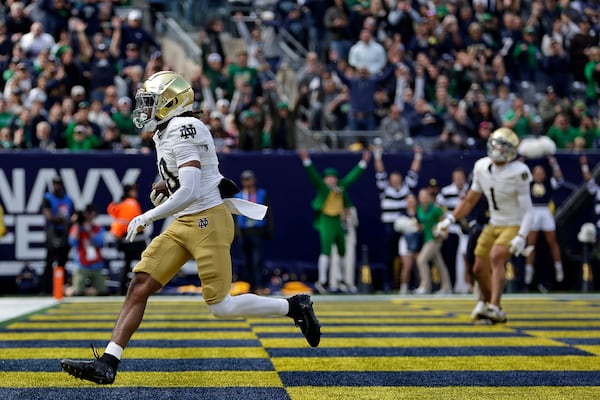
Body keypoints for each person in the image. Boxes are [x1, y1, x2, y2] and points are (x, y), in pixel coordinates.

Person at [61, 71, 321, 385]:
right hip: (185, 220)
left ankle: (294, 306)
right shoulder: (166, 129)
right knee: (140, 284)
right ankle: (108, 362)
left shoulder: (185, 127)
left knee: (221, 307)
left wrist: (148, 216)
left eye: (151, 101)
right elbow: (187, 179)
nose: (145, 108)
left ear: (171, 102)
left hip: (208, 220)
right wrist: (164, 183)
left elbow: (191, 190)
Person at [436, 127, 533, 324]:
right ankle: (489, 304)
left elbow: (528, 210)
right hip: (494, 223)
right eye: (497, 144)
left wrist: (522, 236)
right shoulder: (481, 166)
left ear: (512, 150)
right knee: (478, 268)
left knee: (496, 256)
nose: (498, 149)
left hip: (513, 224)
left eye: (504, 146)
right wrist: (450, 219)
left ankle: (495, 307)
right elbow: (470, 200)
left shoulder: (519, 172)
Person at [299, 149, 371, 293]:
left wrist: (363, 163)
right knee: (326, 250)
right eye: (328, 177)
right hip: (326, 220)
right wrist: (306, 161)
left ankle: (343, 280)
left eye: (333, 177)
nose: (331, 180)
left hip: (338, 220)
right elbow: (313, 176)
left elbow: (352, 177)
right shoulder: (323, 188)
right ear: (325, 179)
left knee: (343, 251)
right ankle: (322, 281)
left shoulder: (341, 188)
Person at [374, 146, 422, 292]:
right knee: (389, 257)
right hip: (390, 227)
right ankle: (388, 284)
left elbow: (413, 173)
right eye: (393, 180)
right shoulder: (385, 189)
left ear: (400, 180)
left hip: (406, 226)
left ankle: (412, 284)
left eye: (397, 179)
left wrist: (418, 157)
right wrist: (377, 156)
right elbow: (380, 173)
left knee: (409, 257)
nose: (395, 182)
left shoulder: (405, 189)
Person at [524, 157, 565, 288]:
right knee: (531, 243)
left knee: (552, 241)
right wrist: (522, 160)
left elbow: (559, 179)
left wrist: (554, 164)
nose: (539, 175)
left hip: (545, 210)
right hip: (533, 211)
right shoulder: (528, 183)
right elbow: (518, 177)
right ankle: (528, 270)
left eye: (541, 173)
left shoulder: (548, 183)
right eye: (537, 173)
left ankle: (558, 267)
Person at [233, 170, 273, 294]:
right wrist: (235, 232)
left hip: (256, 231)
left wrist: (268, 230)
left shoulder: (261, 194)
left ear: (254, 180)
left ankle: (259, 286)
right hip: (243, 232)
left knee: (257, 261)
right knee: (246, 261)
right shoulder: (238, 195)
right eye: (245, 179)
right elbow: (234, 216)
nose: (247, 182)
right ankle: (249, 286)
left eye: (249, 179)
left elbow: (268, 213)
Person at [436, 167, 472, 294]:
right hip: (452, 228)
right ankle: (450, 286)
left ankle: (468, 285)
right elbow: (438, 208)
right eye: (456, 178)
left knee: (468, 258)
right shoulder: (446, 191)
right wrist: (443, 225)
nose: (458, 180)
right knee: (450, 259)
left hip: (468, 229)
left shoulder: (471, 190)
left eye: (460, 178)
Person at [107, 183, 145, 295]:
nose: (136, 193)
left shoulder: (117, 205)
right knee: (145, 263)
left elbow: (112, 212)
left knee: (127, 264)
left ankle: (122, 289)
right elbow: (139, 221)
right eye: (134, 190)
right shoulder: (132, 203)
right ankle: (145, 288)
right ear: (129, 192)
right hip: (136, 239)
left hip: (122, 240)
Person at [414, 188, 452, 295]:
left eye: (425, 196)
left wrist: (443, 233)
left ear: (429, 197)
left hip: (435, 239)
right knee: (439, 263)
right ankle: (446, 287)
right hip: (426, 238)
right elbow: (422, 223)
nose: (424, 199)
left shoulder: (436, 209)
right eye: (421, 197)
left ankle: (425, 286)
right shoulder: (419, 208)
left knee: (421, 260)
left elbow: (444, 222)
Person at [41, 176, 74, 294]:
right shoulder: (48, 198)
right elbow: (48, 215)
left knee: (62, 262)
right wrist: (59, 219)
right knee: (50, 261)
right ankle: (45, 288)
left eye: (59, 184)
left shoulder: (68, 199)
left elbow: (73, 215)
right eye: (55, 184)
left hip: (65, 232)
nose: (57, 186)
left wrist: (68, 221)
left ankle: (60, 288)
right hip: (53, 232)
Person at [67, 204, 108, 296]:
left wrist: (89, 230)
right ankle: (69, 289)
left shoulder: (97, 228)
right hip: (81, 265)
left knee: (103, 292)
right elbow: (72, 242)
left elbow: (99, 243)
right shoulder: (77, 228)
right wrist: (77, 224)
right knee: (78, 293)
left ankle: (72, 289)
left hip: (96, 264)